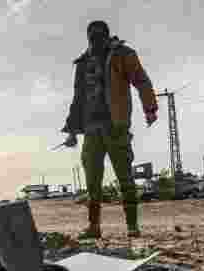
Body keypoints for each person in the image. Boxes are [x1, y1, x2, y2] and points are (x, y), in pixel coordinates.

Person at [61, 20, 159, 239]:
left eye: (98, 36)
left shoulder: (122, 54)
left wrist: (150, 108)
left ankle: (132, 226)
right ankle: (94, 228)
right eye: (91, 36)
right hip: (91, 130)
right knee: (92, 181)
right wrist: (71, 130)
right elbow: (78, 99)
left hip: (115, 126)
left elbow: (141, 80)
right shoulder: (83, 62)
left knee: (125, 177)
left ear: (107, 35)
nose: (94, 40)